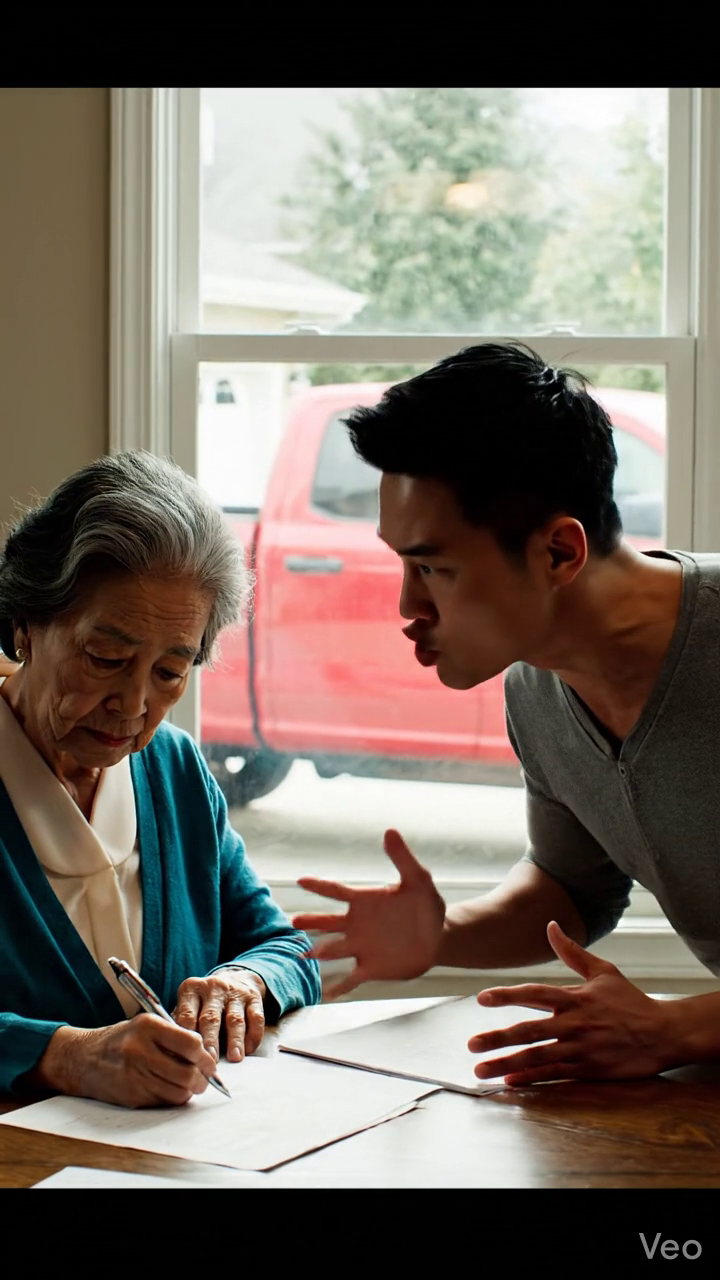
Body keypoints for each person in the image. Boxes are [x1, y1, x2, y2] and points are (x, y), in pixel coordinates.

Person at [293, 341, 720, 1087]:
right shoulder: (536, 686)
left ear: (559, 551)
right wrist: (442, 935)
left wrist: (676, 1026)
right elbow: (571, 888)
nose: (407, 607)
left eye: (434, 568)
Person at [0, 451, 320, 1106]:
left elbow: (283, 947)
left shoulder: (172, 768)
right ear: (27, 624)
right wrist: (63, 1057)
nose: (133, 704)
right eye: (107, 658)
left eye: (170, 672)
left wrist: (245, 981)